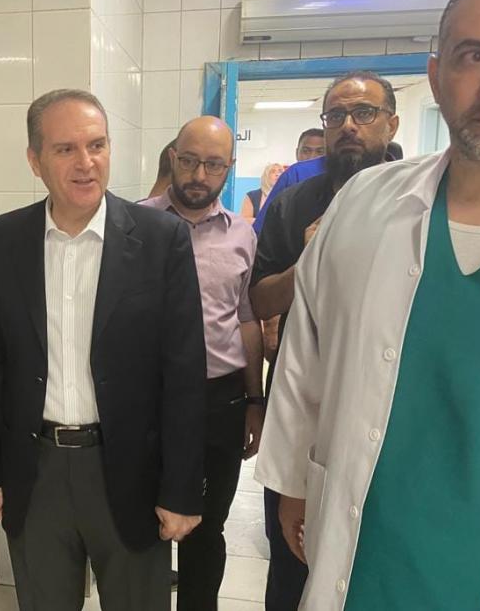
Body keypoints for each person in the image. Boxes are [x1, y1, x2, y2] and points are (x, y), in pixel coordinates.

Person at [256, 0, 480, 609]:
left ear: (393, 121)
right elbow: (303, 353)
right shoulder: (363, 202)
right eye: (475, 55)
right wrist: (291, 480)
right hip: (362, 550)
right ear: (437, 76)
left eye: (365, 112)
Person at [0, 89, 207, 611]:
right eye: (65, 149)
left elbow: (185, 374)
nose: (86, 162)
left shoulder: (160, 239)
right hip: (37, 469)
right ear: (35, 160)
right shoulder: (2, 241)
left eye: (96, 145)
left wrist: (182, 490)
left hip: (130, 469)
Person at [250, 70, 399, 611]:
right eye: (336, 115)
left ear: (391, 124)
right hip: (304, 399)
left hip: (389, 402)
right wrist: (308, 263)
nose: (348, 126)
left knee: (375, 557)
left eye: (364, 113)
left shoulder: (418, 202)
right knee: (293, 555)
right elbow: (259, 300)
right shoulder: (293, 203)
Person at [142, 116, 264, 610]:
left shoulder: (243, 235)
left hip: (220, 399)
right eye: (189, 160)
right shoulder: (134, 224)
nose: (198, 175)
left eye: (213, 165)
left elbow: (247, 320)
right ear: (173, 157)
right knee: (142, 523)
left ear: (229, 168)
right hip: (148, 399)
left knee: (207, 526)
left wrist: (254, 400)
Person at [252, 128, 326, 235]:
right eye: (306, 151)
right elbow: (264, 224)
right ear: (297, 153)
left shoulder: (335, 175)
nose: (312, 157)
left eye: (320, 152)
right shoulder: (292, 175)